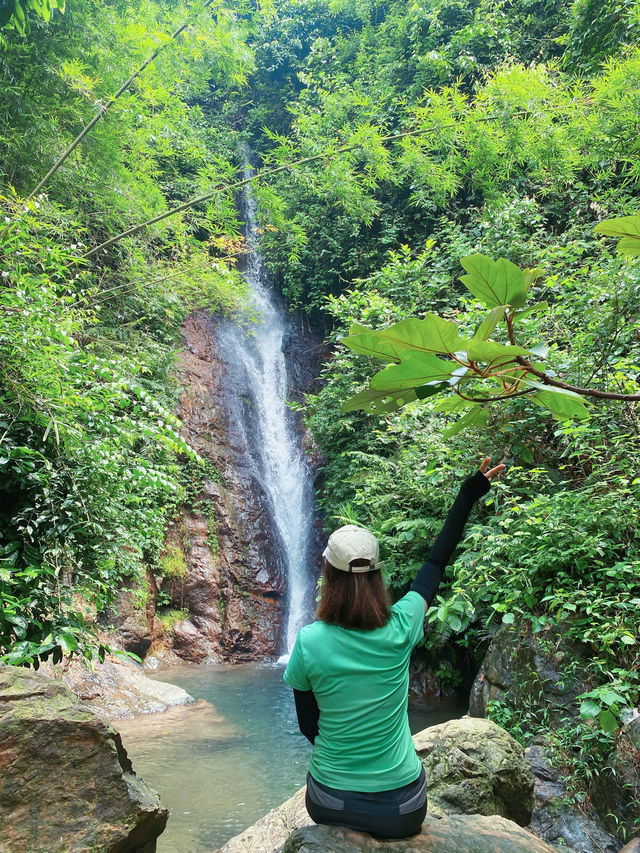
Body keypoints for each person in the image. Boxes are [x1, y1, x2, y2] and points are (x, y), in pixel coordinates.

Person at [283, 456, 505, 839]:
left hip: (330, 802)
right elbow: (436, 561)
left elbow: (309, 727)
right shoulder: (402, 625)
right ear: (377, 575)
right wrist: (468, 495)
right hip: (401, 809)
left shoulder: (308, 642)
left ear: (328, 577)